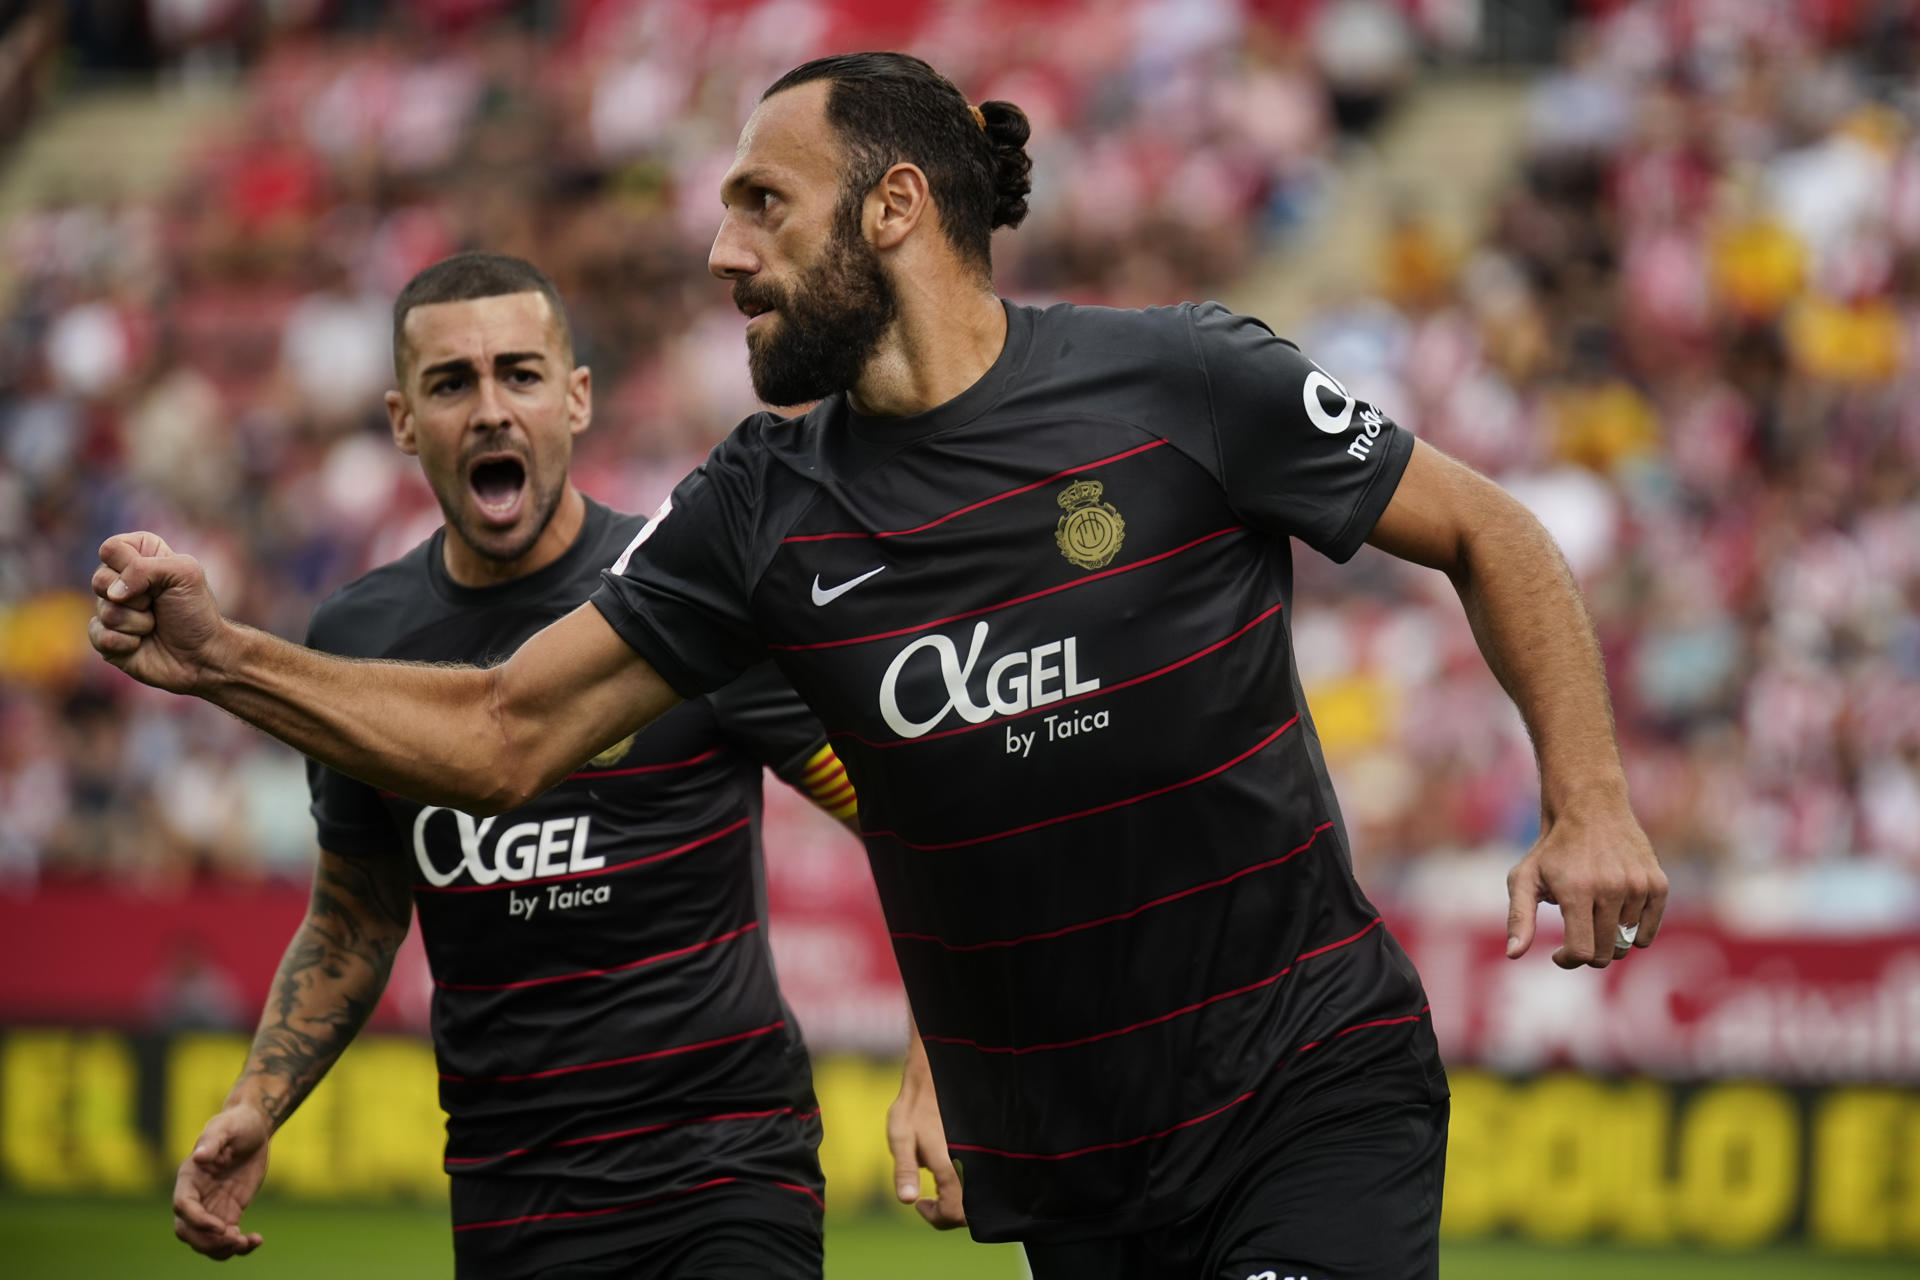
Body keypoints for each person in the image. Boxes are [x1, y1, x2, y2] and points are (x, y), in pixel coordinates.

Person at [95, 54, 1668, 1280]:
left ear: (895, 209)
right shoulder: (756, 513)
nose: (721, 253)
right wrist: (227, 657)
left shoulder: (1182, 380)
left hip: (1306, 1083)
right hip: (1069, 1164)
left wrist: (1588, 800)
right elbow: (506, 733)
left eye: (760, 204)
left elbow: (1490, 530)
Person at [166, 253, 856, 1280]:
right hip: (510, 1187)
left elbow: (902, 810)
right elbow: (357, 913)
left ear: (575, 398)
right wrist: (258, 1099)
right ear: (403, 420)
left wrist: (947, 1052)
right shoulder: (359, 639)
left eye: (520, 374)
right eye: (453, 383)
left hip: (725, 1163)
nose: (490, 409)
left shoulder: (688, 594)